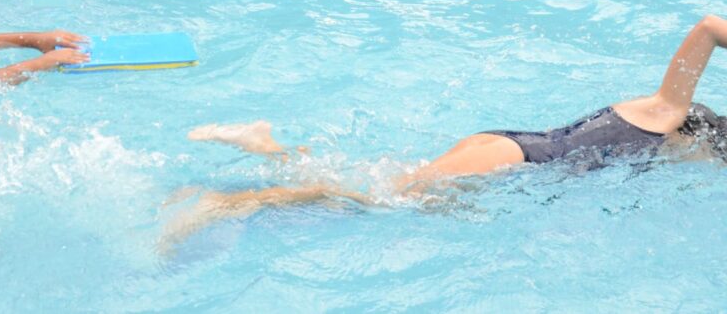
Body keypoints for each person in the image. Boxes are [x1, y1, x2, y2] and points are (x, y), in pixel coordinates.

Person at [161, 15, 727, 247]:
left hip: (505, 149)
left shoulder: (650, 122)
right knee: (372, 199)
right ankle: (225, 204)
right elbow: (708, 27)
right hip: (508, 159)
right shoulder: (665, 112)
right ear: (704, 139)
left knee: (381, 184)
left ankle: (267, 145)